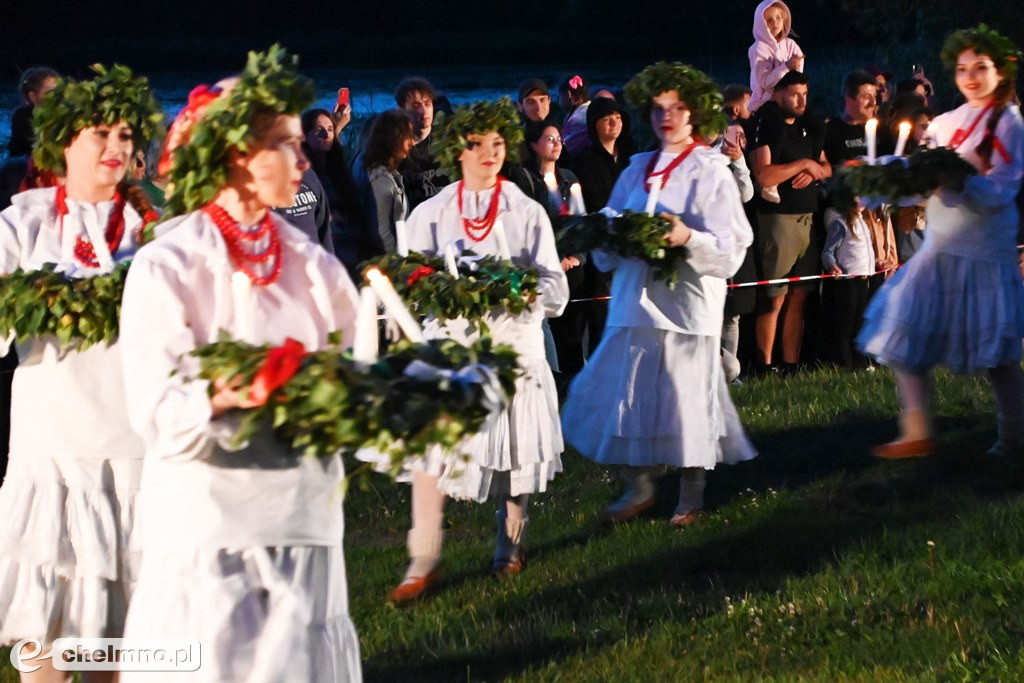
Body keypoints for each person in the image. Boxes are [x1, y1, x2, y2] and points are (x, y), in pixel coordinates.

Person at [117, 48, 362, 681]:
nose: (305, 156)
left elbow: (349, 373)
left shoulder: (314, 266)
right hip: (208, 522)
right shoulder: (168, 262)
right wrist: (226, 391)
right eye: (286, 144)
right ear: (236, 156)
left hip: (304, 516)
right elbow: (154, 407)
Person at [0, 64, 163, 682]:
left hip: (134, 450)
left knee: (117, 642)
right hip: (54, 451)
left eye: (127, 135)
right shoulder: (21, 226)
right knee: (44, 638)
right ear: (64, 141)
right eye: (103, 134)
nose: (119, 148)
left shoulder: (155, 232)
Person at [378, 98, 568, 602]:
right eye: (476, 144)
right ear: (455, 149)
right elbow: (409, 278)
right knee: (429, 450)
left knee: (513, 450)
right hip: (452, 349)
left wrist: (523, 289)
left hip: (511, 347)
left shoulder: (525, 212)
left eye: (498, 144)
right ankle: (423, 558)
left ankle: (510, 543)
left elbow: (557, 290)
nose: (488, 153)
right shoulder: (430, 214)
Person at [561, 62, 756, 526]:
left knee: (688, 399)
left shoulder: (711, 170)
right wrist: (601, 231)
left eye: (677, 108)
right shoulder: (637, 167)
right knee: (625, 394)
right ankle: (639, 485)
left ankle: (691, 494)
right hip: (636, 302)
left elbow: (732, 248)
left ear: (695, 115)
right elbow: (615, 216)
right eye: (658, 108)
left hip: (687, 306)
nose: (666, 116)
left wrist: (687, 238)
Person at [858, 25, 1024, 460]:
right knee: (899, 326)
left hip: (984, 252)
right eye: (963, 68)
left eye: (981, 68)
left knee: (998, 357)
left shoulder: (1008, 122)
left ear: (1002, 71)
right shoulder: (948, 123)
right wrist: (882, 179)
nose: (970, 76)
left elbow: (1003, 188)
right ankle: (917, 429)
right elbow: (919, 177)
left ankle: (1013, 437)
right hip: (940, 249)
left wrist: (961, 182)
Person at [749, 70, 830, 375]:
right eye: (795, 94)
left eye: (805, 94)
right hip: (778, 220)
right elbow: (764, 175)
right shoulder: (768, 126)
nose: (801, 101)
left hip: (808, 217)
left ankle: (791, 363)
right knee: (775, 296)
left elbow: (826, 167)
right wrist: (802, 164)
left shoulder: (808, 128)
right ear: (778, 93)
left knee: (800, 294)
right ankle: (764, 364)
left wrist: (813, 169)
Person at [821, 199, 896, 369]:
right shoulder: (840, 223)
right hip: (848, 280)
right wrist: (833, 266)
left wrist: (877, 262)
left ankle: (859, 361)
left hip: (864, 279)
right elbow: (828, 252)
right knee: (847, 322)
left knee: (859, 321)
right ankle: (845, 362)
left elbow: (865, 251)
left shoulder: (862, 221)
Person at [300, 107, 366, 269]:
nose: (326, 135)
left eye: (330, 129)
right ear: (304, 135)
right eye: (318, 130)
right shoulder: (303, 172)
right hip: (325, 247)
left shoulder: (336, 167)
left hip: (349, 245)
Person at [354, 109, 415, 256]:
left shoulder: (366, 164)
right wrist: (397, 262)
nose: (412, 142)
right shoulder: (380, 179)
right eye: (407, 136)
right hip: (385, 261)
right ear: (394, 138)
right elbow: (381, 232)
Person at [396, 77, 450, 212]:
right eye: (415, 105)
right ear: (401, 109)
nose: (423, 111)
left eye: (427, 104)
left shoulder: (447, 141)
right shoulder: (396, 148)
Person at [748, 0, 804, 113]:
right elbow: (765, 83)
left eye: (778, 18)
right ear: (761, 24)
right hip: (767, 104)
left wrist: (796, 65)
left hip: (789, 100)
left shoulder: (790, 44)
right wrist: (786, 67)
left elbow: (798, 74)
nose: (775, 23)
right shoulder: (758, 48)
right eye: (769, 20)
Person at [823, 69, 878, 166]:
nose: (873, 103)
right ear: (848, 98)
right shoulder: (829, 132)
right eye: (866, 97)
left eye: (874, 96)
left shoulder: (882, 131)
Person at [6, 66, 59, 158]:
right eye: (50, 92)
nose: (57, 95)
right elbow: (17, 151)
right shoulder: (22, 117)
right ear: (33, 96)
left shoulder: (68, 114)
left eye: (59, 90)